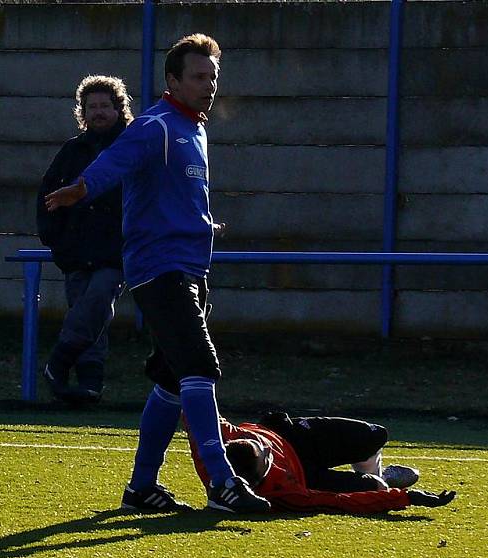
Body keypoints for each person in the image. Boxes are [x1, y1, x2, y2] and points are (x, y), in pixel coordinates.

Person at [45, 33, 269, 515]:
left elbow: (174, 197)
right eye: (198, 76)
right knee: (201, 367)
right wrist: (81, 189)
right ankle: (221, 483)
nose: (208, 85)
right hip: (159, 271)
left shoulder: (195, 129)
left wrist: (204, 224)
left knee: (172, 381)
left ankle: (141, 488)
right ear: (173, 80)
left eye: (213, 77)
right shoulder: (157, 125)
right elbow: (114, 163)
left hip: (189, 269)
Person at [36, 75, 133, 404]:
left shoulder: (130, 148)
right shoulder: (72, 150)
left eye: (105, 105)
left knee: (98, 300)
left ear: (119, 108)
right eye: (92, 107)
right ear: (83, 112)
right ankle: (89, 383)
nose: (99, 112)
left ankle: (59, 360)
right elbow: (47, 194)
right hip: (76, 251)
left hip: (116, 251)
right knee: (90, 313)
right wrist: (54, 238)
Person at [186, 413, 457, 514]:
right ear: (254, 484)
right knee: (375, 488)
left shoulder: (215, 445)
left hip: (293, 437)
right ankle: (383, 478)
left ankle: (377, 469)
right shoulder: (282, 493)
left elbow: (195, 407)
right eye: (266, 457)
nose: (269, 452)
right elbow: (337, 502)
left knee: (374, 435)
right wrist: (405, 498)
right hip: (306, 478)